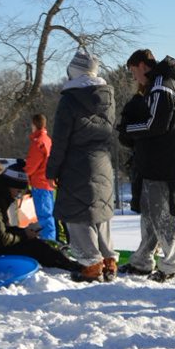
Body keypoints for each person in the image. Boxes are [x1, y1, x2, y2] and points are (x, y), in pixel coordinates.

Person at [117, 49, 175, 282]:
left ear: (141, 65)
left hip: (165, 165)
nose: (134, 77)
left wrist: (127, 130)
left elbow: (156, 124)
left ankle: (172, 265)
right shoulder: (157, 86)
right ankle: (142, 261)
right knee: (150, 216)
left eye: (132, 71)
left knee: (165, 216)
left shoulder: (161, 85)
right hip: (155, 163)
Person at [49, 48, 121, 283]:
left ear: (74, 71)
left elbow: (60, 140)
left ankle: (91, 266)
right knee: (100, 212)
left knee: (78, 214)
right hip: (103, 161)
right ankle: (109, 261)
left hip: (76, 163)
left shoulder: (69, 100)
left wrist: (52, 170)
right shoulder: (107, 98)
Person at [0, 164, 84, 274]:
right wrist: (25, 235)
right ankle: (71, 268)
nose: (18, 196)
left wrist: (23, 232)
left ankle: (68, 264)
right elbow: (1, 239)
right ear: (9, 186)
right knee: (36, 247)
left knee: (35, 243)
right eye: (18, 191)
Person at [26, 113, 58, 242]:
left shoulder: (38, 142)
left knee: (44, 216)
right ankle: (51, 240)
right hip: (48, 182)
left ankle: (49, 243)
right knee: (49, 215)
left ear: (34, 124)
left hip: (40, 182)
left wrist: (25, 172)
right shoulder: (48, 140)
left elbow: (32, 165)